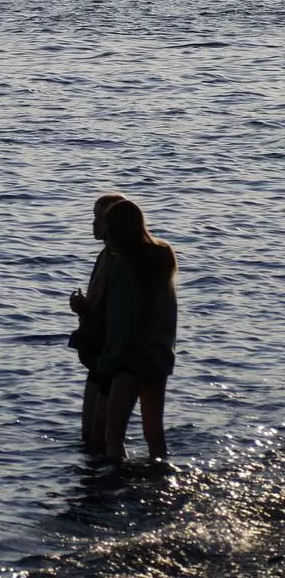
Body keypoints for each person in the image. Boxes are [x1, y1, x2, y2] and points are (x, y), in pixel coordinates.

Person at [97, 198, 178, 462]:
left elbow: (122, 318)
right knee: (154, 432)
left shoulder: (125, 264)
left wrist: (109, 360)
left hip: (130, 359)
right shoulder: (162, 256)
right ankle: (160, 474)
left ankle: (115, 480)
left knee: (114, 435)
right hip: (158, 354)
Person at [69, 191, 126, 449]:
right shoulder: (104, 256)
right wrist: (83, 308)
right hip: (99, 352)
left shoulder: (119, 260)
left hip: (110, 353)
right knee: (89, 433)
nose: (93, 224)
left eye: (99, 218)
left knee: (102, 436)